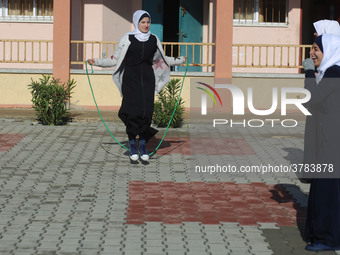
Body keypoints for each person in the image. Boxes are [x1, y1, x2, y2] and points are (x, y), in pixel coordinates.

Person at [88, 10, 186, 161]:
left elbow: (162, 59)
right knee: (131, 111)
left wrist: (180, 60)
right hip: (130, 79)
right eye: (143, 22)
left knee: (147, 112)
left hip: (147, 79)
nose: (146, 25)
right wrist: (97, 61)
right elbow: (115, 59)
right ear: (136, 23)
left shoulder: (153, 39)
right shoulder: (127, 39)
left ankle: (143, 143)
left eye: (148, 22)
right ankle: (133, 142)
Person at [302, 34, 340, 251]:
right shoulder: (330, 72)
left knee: (326, 191)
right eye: (311, 48)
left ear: (330, 50)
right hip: (328, 141)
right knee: (325, 189)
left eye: (316, 49)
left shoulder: (334, 73)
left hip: (333, 144)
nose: (311, 53)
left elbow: (312, 98)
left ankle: (327, 238)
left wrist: (308, 72)